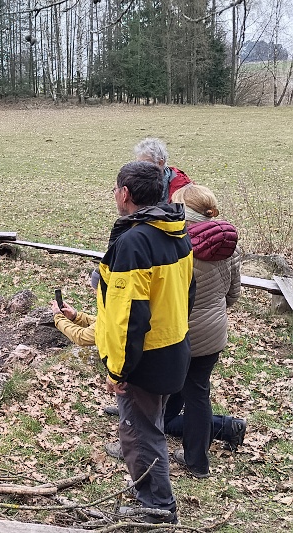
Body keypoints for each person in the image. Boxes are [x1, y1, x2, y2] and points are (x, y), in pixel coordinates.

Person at [51, 269, 244, 459]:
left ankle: (136, 449)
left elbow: (87, 335)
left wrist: (58, 319)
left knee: (153, 417)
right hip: (193, 341)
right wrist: (76, 317)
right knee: (172, 408)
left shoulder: (119, 304)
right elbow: (102, 325)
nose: (94, 293)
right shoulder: (177, 258)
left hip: (157, 356)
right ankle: (227, 427)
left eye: (95, 289)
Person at [95, 161, 194, 524]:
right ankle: (152, 499)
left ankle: (156, 508)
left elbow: (129, 317)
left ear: (125, 194)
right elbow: (188, 292)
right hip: (173, 347)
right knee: (149, 427)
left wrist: (118, 368)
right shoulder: (174, 230)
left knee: (139, 433)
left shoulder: (135, 242)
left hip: (145, 358)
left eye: (115, 189)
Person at [166, 184, 245, 478]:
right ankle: (196, 461)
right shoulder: (228, 244)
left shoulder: (178, 245)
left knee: (162, 389)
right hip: (214, 332)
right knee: (196, 393)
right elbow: (233, 294)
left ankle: (138, 444)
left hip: (181, 333)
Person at [133, 137, 192, 202]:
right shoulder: (135, 182)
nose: (140, 168)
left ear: (160, 163)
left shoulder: (181, 185)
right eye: (139, 163)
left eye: (145, 164)